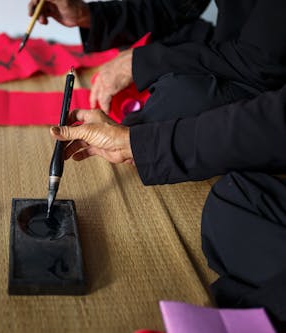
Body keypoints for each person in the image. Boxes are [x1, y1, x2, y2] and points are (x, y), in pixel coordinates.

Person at [27, 0, 286, 328]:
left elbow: (262, 69)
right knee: (232, 208)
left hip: (259, 78)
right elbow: (175, 6)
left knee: (168, 110)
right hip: (234, 60)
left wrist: (139, 141)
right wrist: (90, 16)